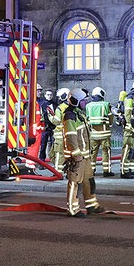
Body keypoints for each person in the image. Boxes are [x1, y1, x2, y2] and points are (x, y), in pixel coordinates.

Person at [57, 88, 104, 217]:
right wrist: (76, 155)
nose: (85, 102)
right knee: (75, 183)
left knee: (89, 181)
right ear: (76, 101)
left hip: (85, 155)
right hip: (77, 157)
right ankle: (73, 209)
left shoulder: (79, 114)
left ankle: (91, 205)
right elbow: (71, 137)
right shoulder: (70, 116)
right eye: (83, 100)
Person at [84, 87, 114, 177]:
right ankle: (106, 171)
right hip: (104, 134)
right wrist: (110, 125)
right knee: (106, 152)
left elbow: (87, 118)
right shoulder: (106, 104)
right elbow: (110, 117)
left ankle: (91, 170)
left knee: (92, 153)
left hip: (93, 134)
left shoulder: (88, 106)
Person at [38, 88, 55, 161]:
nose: (49, 96)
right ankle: (42, 160)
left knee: (54, 144)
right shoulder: (41, 104)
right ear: (45, 95)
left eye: (51, 95)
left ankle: (53, 160)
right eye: (48, 95)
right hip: (45, 127)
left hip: (53, 127)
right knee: (43, 145)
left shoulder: (55, 104)